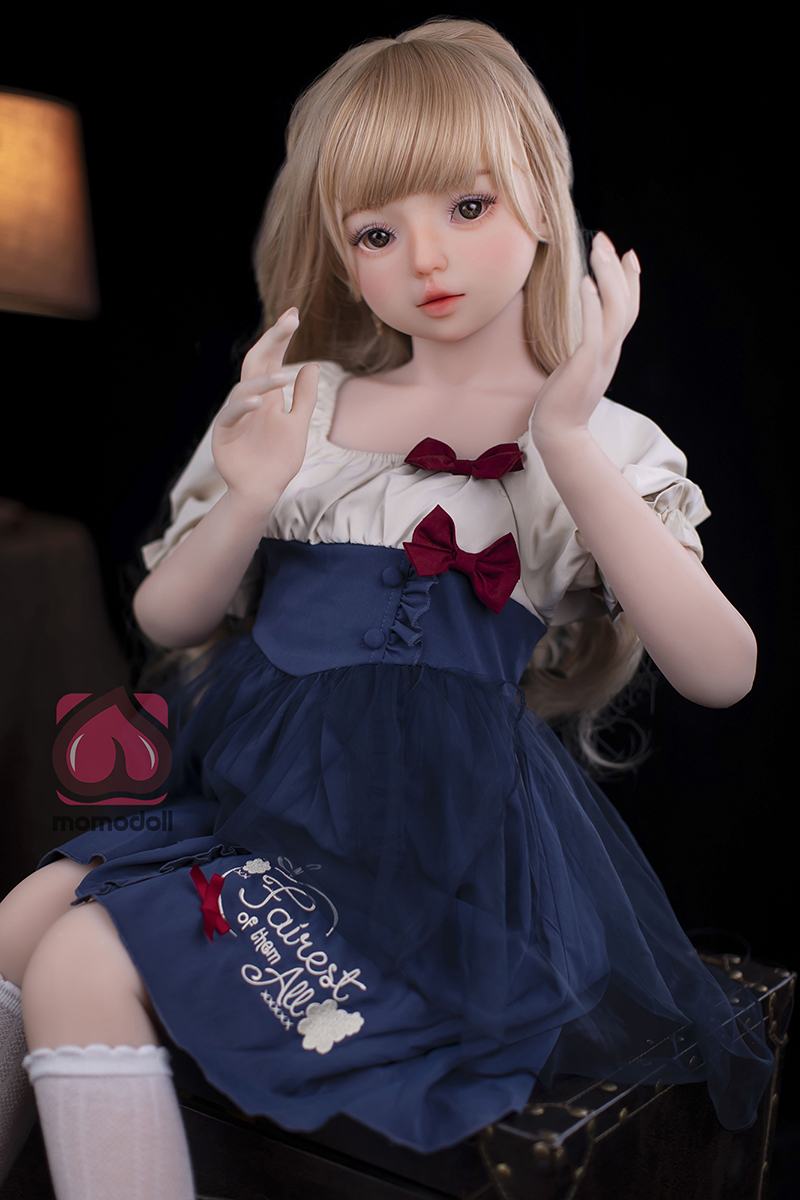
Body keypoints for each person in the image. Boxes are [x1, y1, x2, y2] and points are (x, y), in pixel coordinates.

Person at [0, 17, 774, 1198]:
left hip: (430, 864)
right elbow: (164, 618)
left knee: (75, 960)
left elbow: (721, 670)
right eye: (376, 231)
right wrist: (248, 493)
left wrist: (565, 440)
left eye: (466, 206)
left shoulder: (596, 439)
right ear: (340, 252)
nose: (426, 258)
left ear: (540, 196)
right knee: (21, 916)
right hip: (255, 816)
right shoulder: (306, 407)